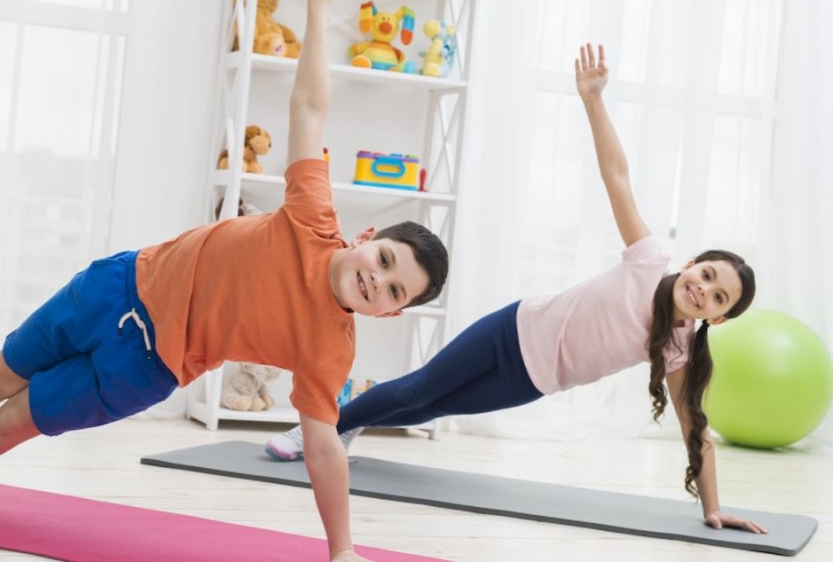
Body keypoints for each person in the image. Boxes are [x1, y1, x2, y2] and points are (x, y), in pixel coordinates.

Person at [0, 0, 449, 562]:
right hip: (118, 286)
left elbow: (322, 448)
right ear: (369, 237)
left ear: (392, 316)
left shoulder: (330, 348)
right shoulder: (313, 216)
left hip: (144, 366)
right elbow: (309, 107)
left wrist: (342, 550)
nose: (379, 281)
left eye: (396, 292)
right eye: (388, 260)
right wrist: (317, 5)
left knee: (14, 419)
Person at [267, 43, 768, 535]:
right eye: (706, 275)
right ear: (692, 264)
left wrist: (713, 508)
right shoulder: (647, 260)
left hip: (530, 380)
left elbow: (693, 425)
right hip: (512, 329)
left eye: (718, 297)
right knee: (422, 386)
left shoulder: (677, 346)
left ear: (718, 319)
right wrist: (593, 101)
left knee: (430, 406)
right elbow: (617, 176)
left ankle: (344, 427)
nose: (703, 290)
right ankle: (321, 430)